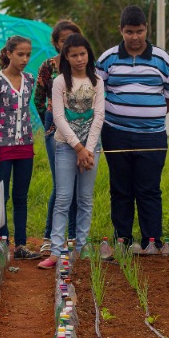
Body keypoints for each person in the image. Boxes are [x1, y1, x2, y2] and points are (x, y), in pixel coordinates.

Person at [95, 6, 169, 252]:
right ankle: (122, 239)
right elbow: (96, 92)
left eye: (139, 31)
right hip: (115, 133)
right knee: (120, 188)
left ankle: (151, 240)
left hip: (152, 136)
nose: (135, 37)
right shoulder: (108, 58)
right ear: (121, 30)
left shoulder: (162, 59)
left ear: (146, 30)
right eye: (129, 32)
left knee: (149, 188)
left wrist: (151, 115)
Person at [40, 34, 105, 268]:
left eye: (83, 54)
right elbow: (58, 117)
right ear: (65, 57)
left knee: (85, 198)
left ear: (89, 54)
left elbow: (99, 116)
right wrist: (78, 147)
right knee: (63, 198)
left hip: (91, 148)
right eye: (74, 55)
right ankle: (56, 251)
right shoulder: (59, 82)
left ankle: (81, 247)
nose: (79, 59)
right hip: (67, 147)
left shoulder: (97, 81)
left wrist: (88, 150)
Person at [0, 36, 41, 260]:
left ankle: (20, 245)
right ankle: (2, 242)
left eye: (28, 54)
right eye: (20, 54)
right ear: (8, 54)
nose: (25, 59)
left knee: (21, 196)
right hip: (3, 148)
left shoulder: (29, 79)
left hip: (25, 145)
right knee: (1, 196)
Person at [34, 21, 82, 255]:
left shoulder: (85, 65)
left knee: (78, 184)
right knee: (61, 184)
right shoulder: (49, 66)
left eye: (72, 38)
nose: (68, 43)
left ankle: (73, 236)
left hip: (82, 127)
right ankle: (49, 236)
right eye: (63, 40)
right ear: (56, 43)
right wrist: (50, 121)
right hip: (55, 127)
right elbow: (39, 97)